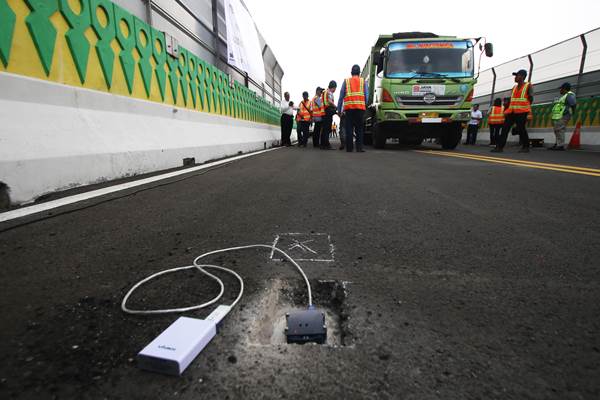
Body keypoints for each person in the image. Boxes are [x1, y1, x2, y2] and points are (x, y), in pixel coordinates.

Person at [492, 69, 533, 153]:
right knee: (505, 129)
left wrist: (526, 110)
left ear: (522, 76)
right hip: (511, 112)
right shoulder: (514, 88)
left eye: (517, 75)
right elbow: (512, 100)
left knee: (521, 129)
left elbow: (531, 99)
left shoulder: (528, 86)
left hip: (522, 112)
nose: (515, 77)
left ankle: (526, 147)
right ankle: (499, 147)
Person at [337, 65, 368, 152]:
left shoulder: (346, 81)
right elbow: (367, 95)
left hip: (349, 109)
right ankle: (359, 148)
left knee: (349, 128)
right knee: (359, 128)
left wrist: (339, 110)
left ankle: (349, 148)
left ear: (351, 73)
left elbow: (341, 96)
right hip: (360, 108)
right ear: (359, 73)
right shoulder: (363, 81)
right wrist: (365, 106)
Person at [549, 82, 576, 151]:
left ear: (564, 89)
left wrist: (572, 112)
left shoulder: (569, 95)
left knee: (559, 129)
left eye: (561, 89)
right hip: (560, 116)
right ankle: (558, 144)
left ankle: (560, 145)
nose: (560, 90)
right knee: (557, 129)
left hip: (564, 115)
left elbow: (573, 104)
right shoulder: (564, 96)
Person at [320, 80, 337, 150]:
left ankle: (323, 144)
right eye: (335, 88)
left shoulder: (324, 92)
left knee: (324, 129)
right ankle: (326, 144)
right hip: (327, 111)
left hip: (324, 112)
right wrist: (336, 106)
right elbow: (329, 102)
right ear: (333, 87)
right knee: (327, 129)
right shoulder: (329, 92)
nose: (335, 90)